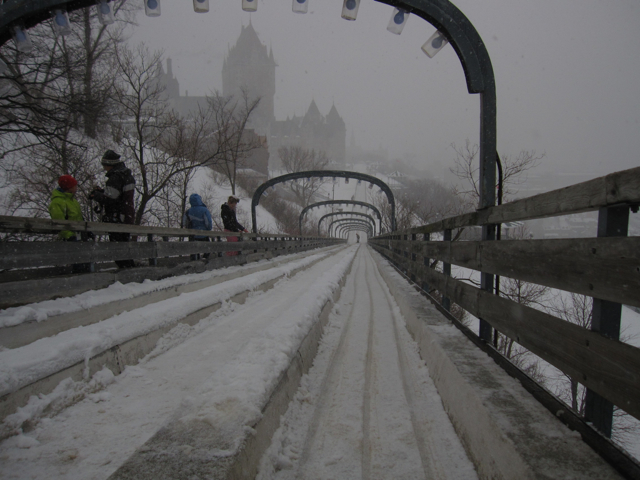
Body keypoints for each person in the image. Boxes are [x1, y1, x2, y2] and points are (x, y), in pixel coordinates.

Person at [89, 149, 136, 269]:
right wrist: (103, 192)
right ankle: (130, 271)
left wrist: (97, 195)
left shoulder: (115, 177)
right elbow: (118, 196)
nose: (104, 168)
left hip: (117, 217)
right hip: (126, 215)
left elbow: (111, 198)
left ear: (110, 164)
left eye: (104, 165)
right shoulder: (126, 175)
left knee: (118, 249)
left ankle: (127, 273)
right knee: (123, 248)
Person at [49, 175, 93, 272]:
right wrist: (69, 236)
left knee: (86, 261)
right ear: (69, 187)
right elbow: (58, 222)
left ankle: (86, 280)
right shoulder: (57, 202)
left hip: (80, 237)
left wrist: (87, 231)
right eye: (74, 186)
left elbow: (79, 218)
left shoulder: (73, 201)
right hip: (71, 239)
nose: (76, 188)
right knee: (77, 263)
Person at [183, 193, 213, 260]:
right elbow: (208, 223)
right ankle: (205, 260)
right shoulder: (204, 210)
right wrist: (208, 229)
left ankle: (195, 261)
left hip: (193, 235)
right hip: (204, 234)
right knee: (208, 249)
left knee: (194, 250)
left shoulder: (188, 211)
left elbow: (184, 223)